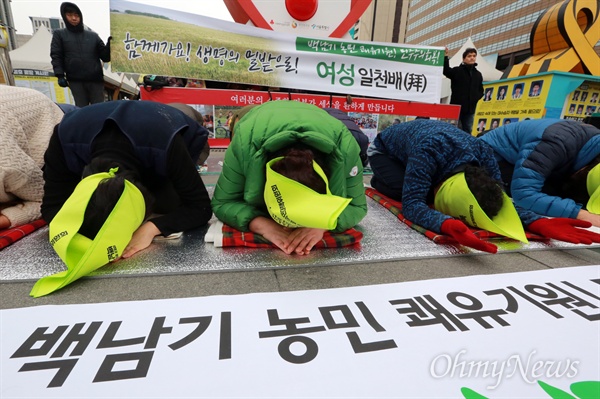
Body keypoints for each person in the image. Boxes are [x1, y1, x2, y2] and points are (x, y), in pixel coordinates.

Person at [367, 119, 600, 253]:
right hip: (385, 151)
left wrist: (536, 221)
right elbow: (412, 205)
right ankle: (380, 179)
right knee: (407, 191)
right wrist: (445, 222)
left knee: (422, 188)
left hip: (431, 151)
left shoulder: (484, 154)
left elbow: (503, 198)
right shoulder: (427, 153)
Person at [41, 100, 212, 259]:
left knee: (168, 204)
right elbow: (51, 208)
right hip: (95, 131)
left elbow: (200, 207)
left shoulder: (166, 143)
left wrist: (150, 228)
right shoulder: (63, 137)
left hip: (167, 128)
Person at [212, 101, 367, 256]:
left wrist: (323, 224)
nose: (289, 227)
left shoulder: (345, 149)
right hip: (258, 121)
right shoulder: (244, 143)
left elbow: (357, 206)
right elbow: (222, 202)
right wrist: (262, 225)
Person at [479, 118, 600, 227]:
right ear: (582, 170)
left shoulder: (591, 149)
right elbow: (524, 194)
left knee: (556, 200)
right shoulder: (555, 143)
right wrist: (580, 213)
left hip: (524, 159)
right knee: (549, 195)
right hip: (490, 155)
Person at [0, 85, 65, 230]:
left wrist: (7, 218)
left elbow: (49, 199)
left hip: (50, 119)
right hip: (15, 115)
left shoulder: (6, 166)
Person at [50, 2, 111, 107]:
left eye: (76, 15)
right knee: (81, 109)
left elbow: (106, 57)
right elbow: (56, 55)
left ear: (80, 17)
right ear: (64, 16)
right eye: (70, 15)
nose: (74, 18)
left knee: (100, 108)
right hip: (75, 80)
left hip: (95, 79)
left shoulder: (93, 36)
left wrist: (110, 44)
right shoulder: (59, 34)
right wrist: (59, 75)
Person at [443, 47, 484, 134]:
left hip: (470, 109)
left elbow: (481, 90)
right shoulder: (457, 71)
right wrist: (445, 56)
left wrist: (475, 98)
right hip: (456, 107)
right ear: (464, 58)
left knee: (467, 131)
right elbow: (446, 70)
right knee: (452, 130)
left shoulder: (478, 74)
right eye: (469, 56)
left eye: (474, 56)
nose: (472, 58)